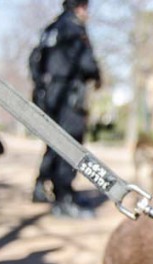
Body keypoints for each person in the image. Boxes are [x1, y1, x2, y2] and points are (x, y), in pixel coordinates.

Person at [29, 0, 101, 218]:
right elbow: (86, 63)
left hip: (48, 94)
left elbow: (33, 59)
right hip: (68, 95)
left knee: (53, 141)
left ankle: (41, 186)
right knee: (70, 145)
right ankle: (64, 197)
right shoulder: (74, 29)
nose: (87, 12)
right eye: (85, 7)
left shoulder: (52, 28)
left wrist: (42, 85)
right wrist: (97, 75)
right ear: (78, 7)